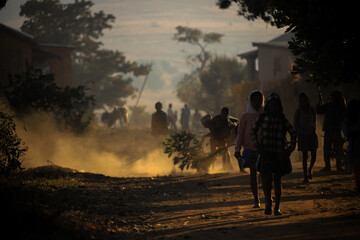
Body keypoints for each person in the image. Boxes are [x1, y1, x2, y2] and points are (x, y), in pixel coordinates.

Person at [251, 93, 296, 216]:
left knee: (277, 181)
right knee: (266, 181)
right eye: (272, 105)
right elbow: (253, 131)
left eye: (276, 105)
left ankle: (277, 207)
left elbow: (293, 133)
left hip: (279, 155)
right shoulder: (262, 118)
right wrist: (258, 146)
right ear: (268, 106)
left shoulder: (282, 119)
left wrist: (289, 149)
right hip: (265, 154)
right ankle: (268, 203)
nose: (274, 107)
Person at [234, 90, 264, 208]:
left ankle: (267, 197)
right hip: (250, 150)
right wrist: (237, 150)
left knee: (266, 174)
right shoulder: (245, 116)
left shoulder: (265, 115)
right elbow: (240, 134)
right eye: (254, 100)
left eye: (259, 100)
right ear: (250, 101)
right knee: (253, 175)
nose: (257, 102)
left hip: (264, 150)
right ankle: (256, 200)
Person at [316, 91, 346, 171]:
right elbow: (319, 111)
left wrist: (320, 102)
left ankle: (330, 166)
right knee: (336, 149)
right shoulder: (340, 107)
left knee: (329, 149)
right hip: (335, 129)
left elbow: (319, 110)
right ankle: (337, 166)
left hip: (333, 129)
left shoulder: (330, 106)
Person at [294, 93, 318, 183]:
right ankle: (305, 176)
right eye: (302, 100)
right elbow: (295, 125)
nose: (304, 102)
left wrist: (312, 129)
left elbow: (314, 121)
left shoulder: (311, 110)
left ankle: (310, 169)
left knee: (314, 155)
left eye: (305, 100)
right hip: (303, 136)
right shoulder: (298, 111)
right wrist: (299, 132)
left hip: (311, 134)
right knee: (305, 157)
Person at [208, 107, 235, 172]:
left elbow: (229, 132)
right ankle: (211, 168)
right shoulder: (216, 119)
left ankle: (225, 167)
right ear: (221, 113)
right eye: (223, 114)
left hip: (222, 140)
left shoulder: (227, 121)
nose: (224, 115)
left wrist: (226, 138)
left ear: (227, 114)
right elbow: (210, 126)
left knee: (224, 154)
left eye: (225, 114)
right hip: (214, 139)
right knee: (213, 154)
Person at [342, 99, 360, 192]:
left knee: (356, 166)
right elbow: (347, 133)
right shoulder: (347, 121)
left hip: (355, 145)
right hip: (353, 145)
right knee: (355, 166)